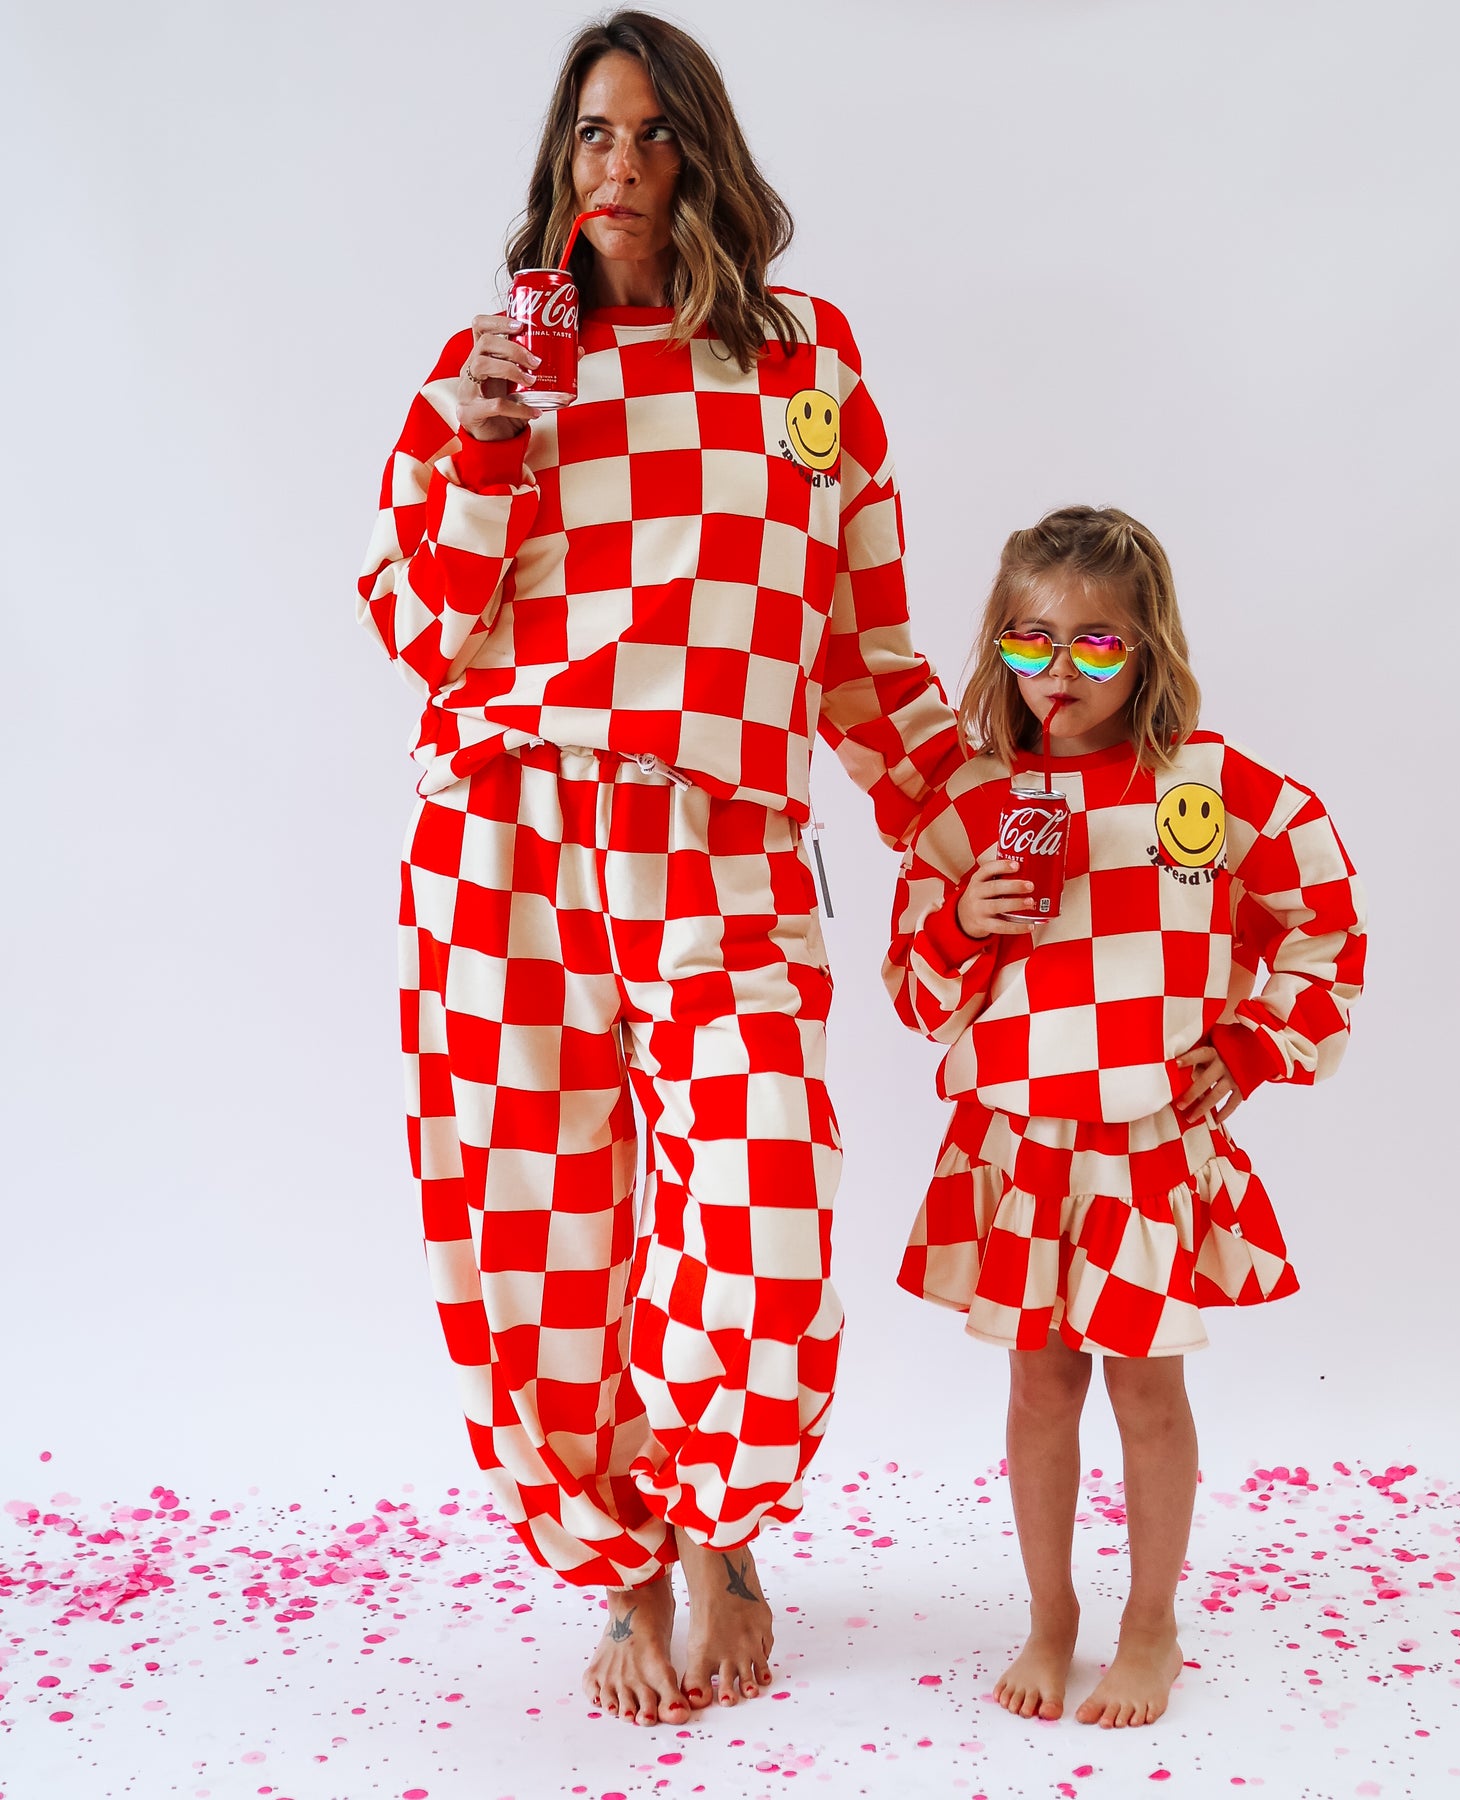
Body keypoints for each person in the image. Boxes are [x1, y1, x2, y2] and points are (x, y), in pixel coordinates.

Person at [357, 13, 960, 1728]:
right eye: (591, 134)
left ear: (705, 151)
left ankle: (723, 1536)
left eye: (652, 132)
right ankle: (623, 1564)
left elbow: (861, 652)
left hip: (723, 835)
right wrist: (489, 444)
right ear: (562, 161)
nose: (618, 165)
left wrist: (969, 830)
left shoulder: (807, 363)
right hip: (511, 833)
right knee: (537, 1219)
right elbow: (417, 627)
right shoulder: (489, 365)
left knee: (759, 1208)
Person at [884, 506, 1367, 1728]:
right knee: (1041, 1391)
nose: (1059, 671)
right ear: (998, 646)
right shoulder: (970, 803)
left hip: (1144, 1141)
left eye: (1095, 644)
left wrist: (1249, 1042)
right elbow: (915, 991)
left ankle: (1152, 1623)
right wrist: (965, 924)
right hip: (1022, 1141)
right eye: (1031, 642)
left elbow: (1324, 918)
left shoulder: (1211, 787)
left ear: (1149, 647)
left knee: (1148, 1394)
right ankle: (1051, 1616)